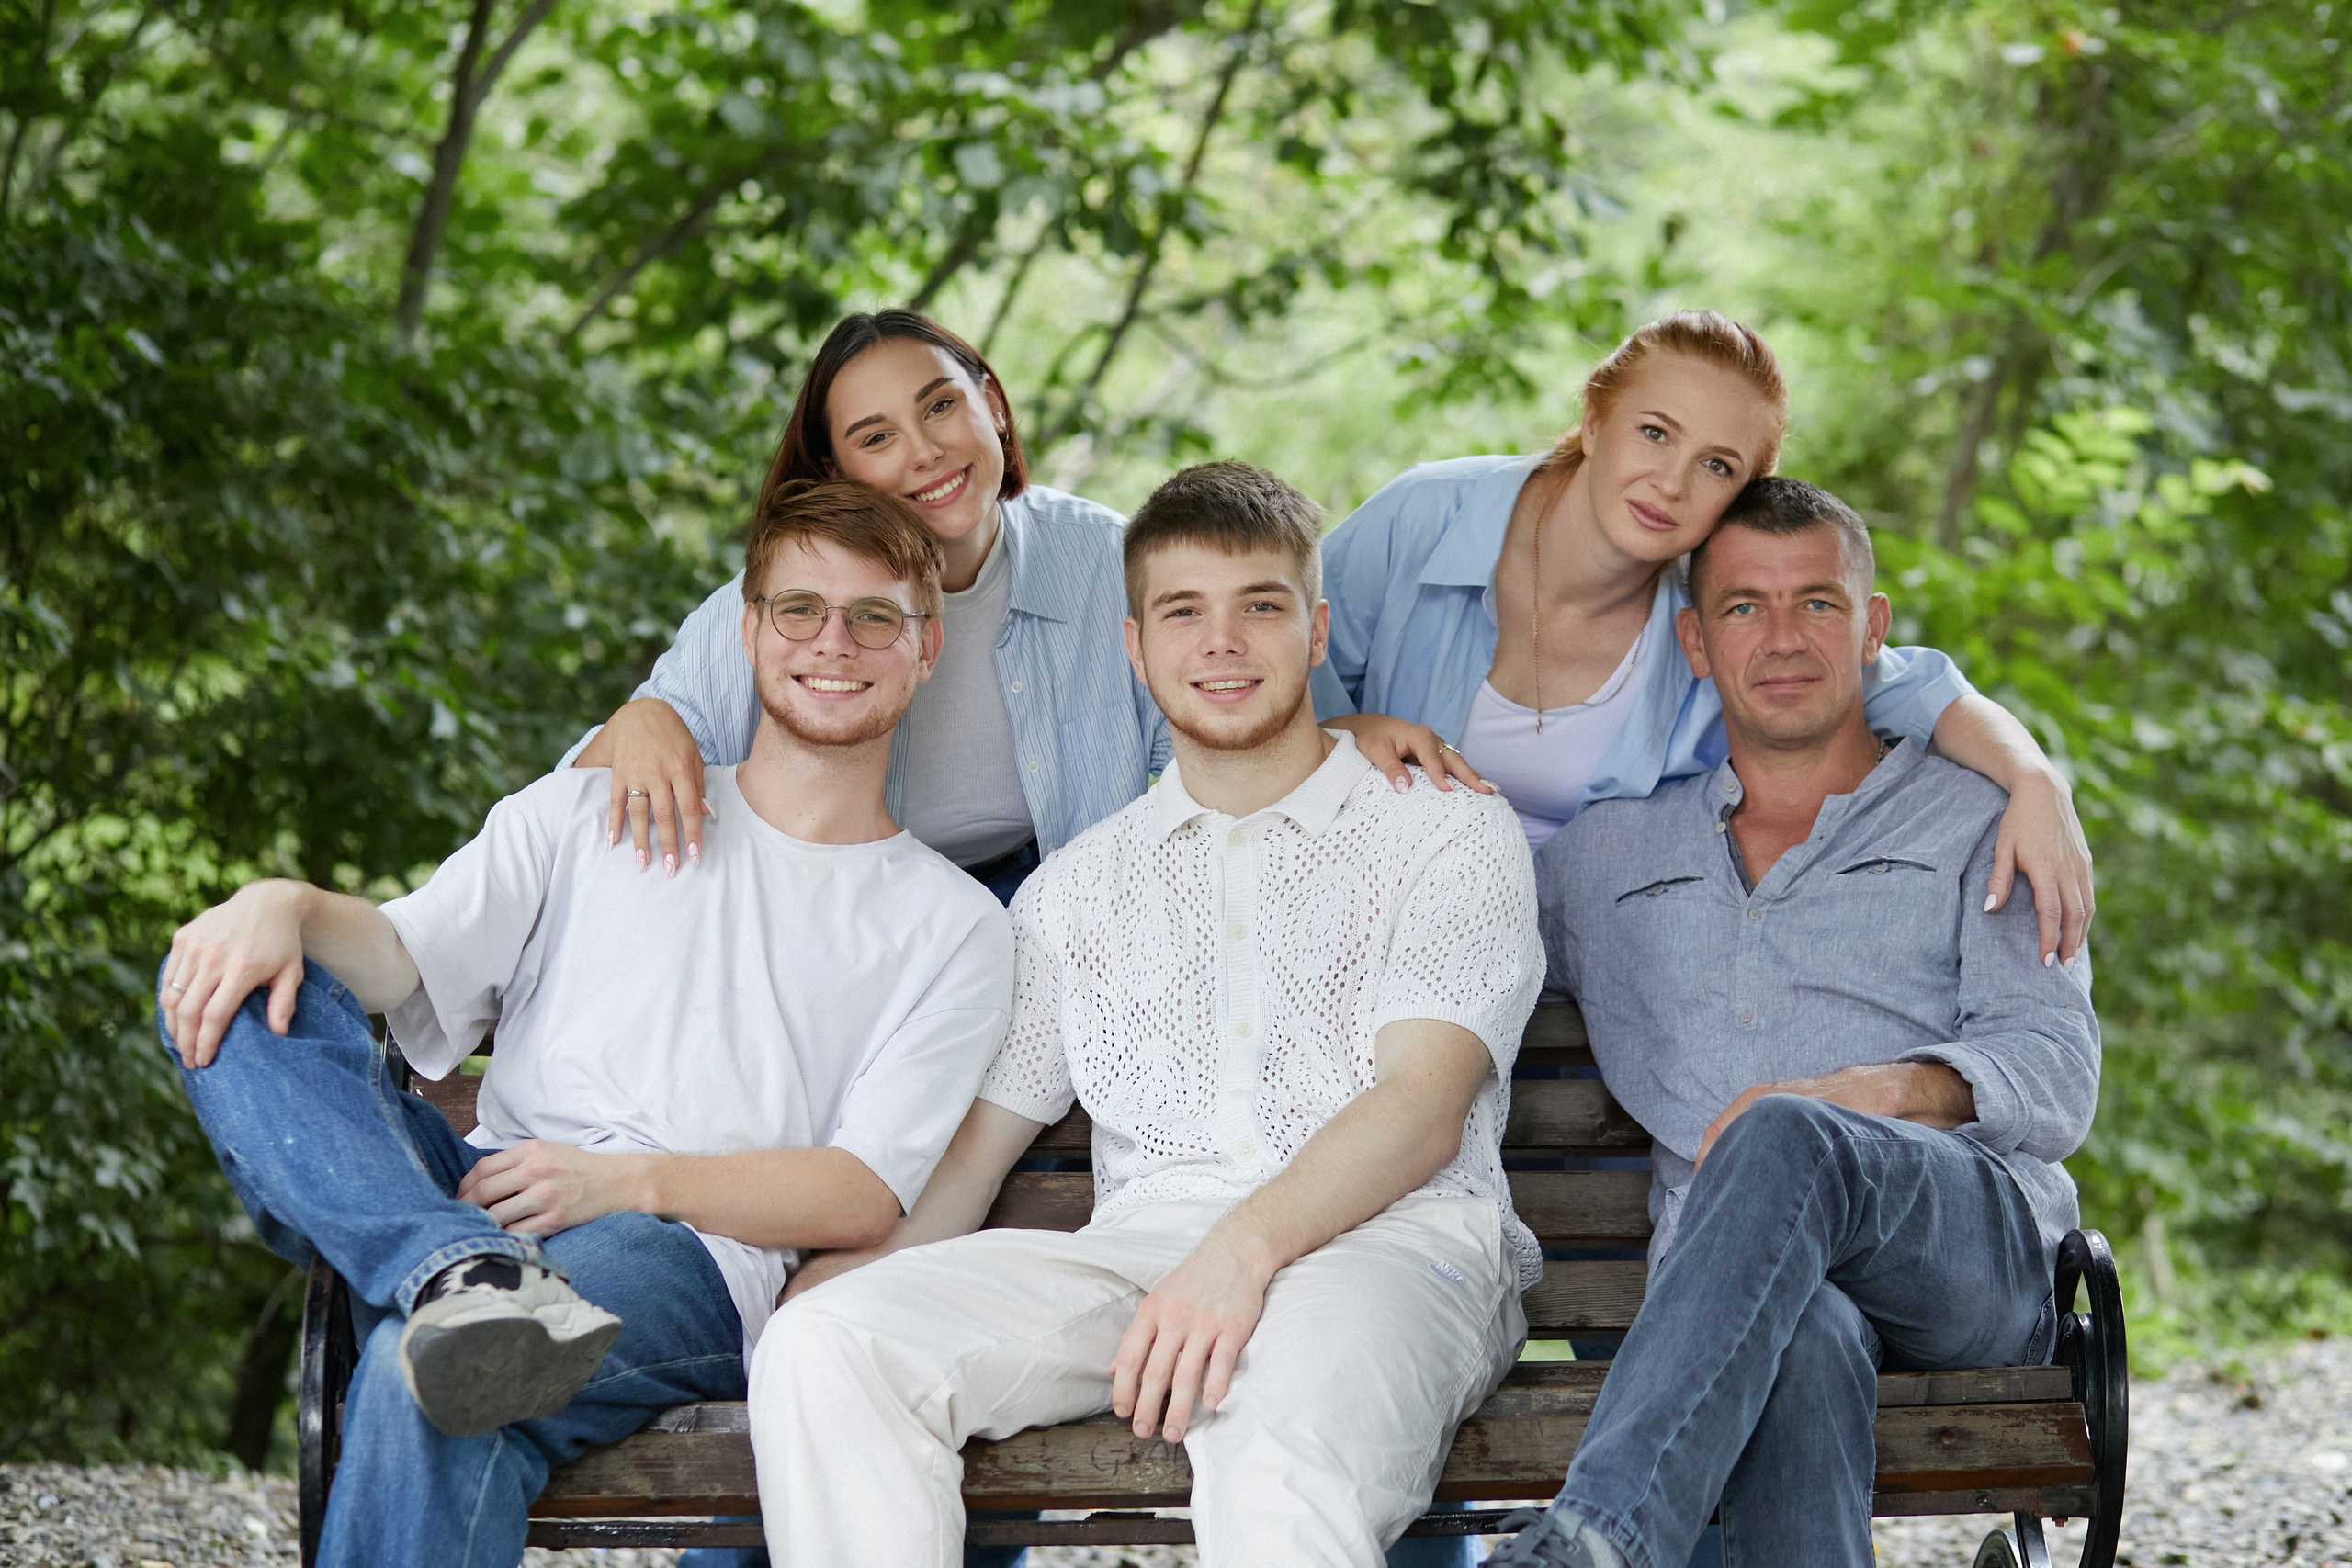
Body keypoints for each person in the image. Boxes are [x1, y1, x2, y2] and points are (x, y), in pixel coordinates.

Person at [155, 481, 1014, 1568]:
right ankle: (452, 1269)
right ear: (749, 629)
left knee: (428, 1377)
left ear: (926, 647)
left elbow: (861, 1191)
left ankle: (456, 1285)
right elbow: (398, 958)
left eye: (874, 617)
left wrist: (626, 1182)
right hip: (477, 1192)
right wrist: (280, 903)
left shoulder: (954, 926)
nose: (831, 642)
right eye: (800, 609)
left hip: (685, 1254)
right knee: (229, 981)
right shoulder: (588, 809)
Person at [748, 462, 1546, 1567]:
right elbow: (974, 1161)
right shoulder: (1074, 892)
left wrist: (1242, 1252)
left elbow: (1422, 1106)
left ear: (1314, 630)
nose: (1221, 643)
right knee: (831, 1344)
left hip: (1398, 1248)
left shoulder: (1443, 828)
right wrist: (813, 1299)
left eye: (1258, 605)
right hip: (1146, 1261)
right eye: (1182, 612)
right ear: (1134, 646)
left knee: (1277, 1455)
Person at [1488, 478, 2101, 1568]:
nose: (1781, 638)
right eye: (1743, 606)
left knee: (1786, 1132)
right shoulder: (1603, 860)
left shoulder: (1980, 820)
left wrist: (1868, 1095)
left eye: (1816, 602)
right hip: (1741, 1286)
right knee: (1801, 1331)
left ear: (1871, 629)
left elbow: (2055, 1072)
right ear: (1694, 640)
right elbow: (1437, 959)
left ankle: (1595, 1540)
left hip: (1965, 1255)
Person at [570, 308, 1476, 908]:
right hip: (846, 906)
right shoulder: (795, 605)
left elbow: (1216, 737)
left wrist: (1343, 733)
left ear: (993, 407)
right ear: (838, 474)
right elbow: (599, 776)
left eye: (941, 407)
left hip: (1063, 898)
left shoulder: (1106, 563)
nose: (924, 452)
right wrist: (646, 716)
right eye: (877, 438)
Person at [1314, 310, 2096, 966]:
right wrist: (1343, 732)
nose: (1671, 483)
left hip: (1584, 969)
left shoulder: (1716, 625)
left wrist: (2037, 781)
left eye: (1716, 466)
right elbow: (1263, 676)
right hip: (1361, 922)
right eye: (1655, 433)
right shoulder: (1424, 521)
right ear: (1594, 421)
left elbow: (1914, 690)